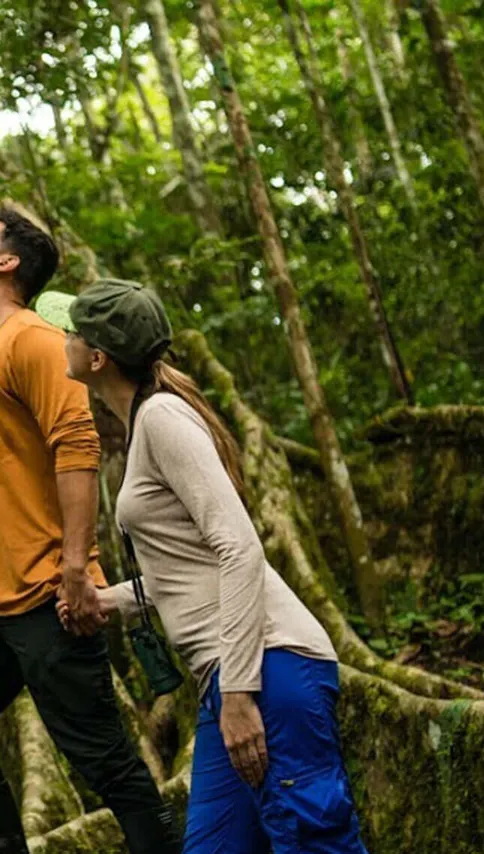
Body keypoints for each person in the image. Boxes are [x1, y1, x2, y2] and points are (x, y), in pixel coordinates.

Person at [62, 280, 368, 853]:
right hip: (226, 679)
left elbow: (240, 547)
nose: (65, 339)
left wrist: (240, 693)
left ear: (98, 357)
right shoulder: (144, 424)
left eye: (73, 332)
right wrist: (112, 600)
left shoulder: (162, 419)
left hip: (265, 669)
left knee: (312, 842)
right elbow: (189, 568)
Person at [0, 210, 179, 854]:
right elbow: (10, 468)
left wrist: (74, 567)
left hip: (50, 599)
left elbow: (77, 446)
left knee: (107, 766)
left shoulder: (32, 341)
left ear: (6, 264)